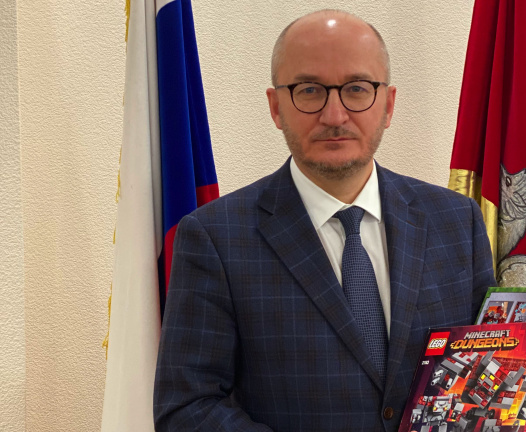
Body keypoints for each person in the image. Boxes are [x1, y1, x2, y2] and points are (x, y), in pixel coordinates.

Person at [154, 9, 495, 432]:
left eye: (357, 89)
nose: (334, 116)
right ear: (276, 107)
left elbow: (487, 367)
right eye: (310, 90)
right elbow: (187, 407)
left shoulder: (457, 221)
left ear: (388, 105)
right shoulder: (215, 238)